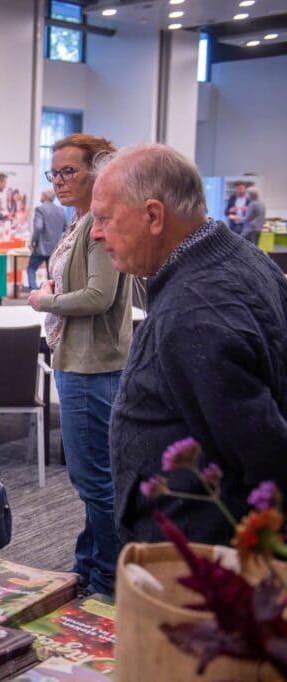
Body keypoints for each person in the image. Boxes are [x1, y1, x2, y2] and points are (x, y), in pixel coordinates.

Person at [90, 144, 287, 546]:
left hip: (201, 561)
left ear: (153, 216)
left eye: (104, 218)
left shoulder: (195, 312)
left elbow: (265, 455)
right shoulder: (240, 258)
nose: (95, 232)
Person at [28, 133, 130, 597]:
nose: (60, 181)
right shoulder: (79, 222)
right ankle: (89, 565)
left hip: (92, 367)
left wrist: (45, 299)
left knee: (95, 480)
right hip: (78, 361)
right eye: (55, 172)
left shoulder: (98, 225)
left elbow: (98, 296)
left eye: (70, 171)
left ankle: (108, 578)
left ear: (98, 172)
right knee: (90, 478)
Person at [27, 189, 67, 290]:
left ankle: (33, 290)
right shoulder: (61, 210)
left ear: (44, 196)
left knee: (31, 269)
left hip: (41, 247)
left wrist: (33, 242)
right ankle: (51, 294)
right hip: (56, 247)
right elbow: (65, 228)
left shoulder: (40, 209)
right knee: (51, 273)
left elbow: (38, 227)